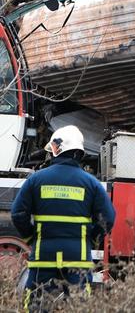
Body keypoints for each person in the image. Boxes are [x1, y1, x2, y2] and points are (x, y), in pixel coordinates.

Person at [11, 125, 116, 311]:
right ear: (79, 153)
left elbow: (18, 213)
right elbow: (108, 217)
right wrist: (91, 239)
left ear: (56, 150)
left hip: (44, 254)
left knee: (35, 304)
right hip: (78, 257)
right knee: (79, 305)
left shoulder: (36, 180)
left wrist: (31, 237)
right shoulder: (91, 183)